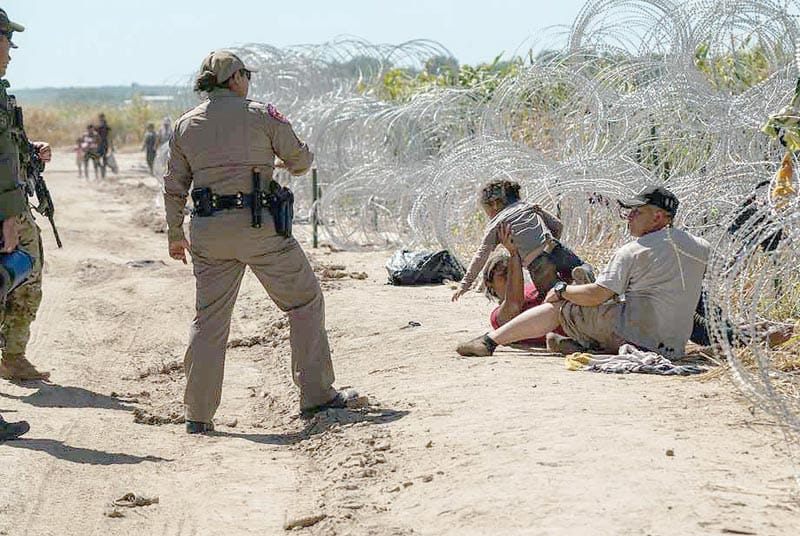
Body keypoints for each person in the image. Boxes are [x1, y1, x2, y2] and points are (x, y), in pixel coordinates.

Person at [163, 50, 358, 434]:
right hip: (261, 229)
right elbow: (300, 161)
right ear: (235, 78)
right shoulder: (261, 114)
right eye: (246, 75)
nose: (248, 81)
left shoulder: (186, 125)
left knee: (210, 320)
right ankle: (316, 394)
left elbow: (174, 186)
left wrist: (174, 234)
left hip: (208, 232)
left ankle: (198, 415)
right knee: (304, 302)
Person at [457, 186, 710, 360]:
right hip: (675, 345)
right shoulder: (701, 247)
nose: (628, 217)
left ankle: (489, 342)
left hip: (638, 339)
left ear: (658, 216)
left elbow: (597, 295)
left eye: (636, 211)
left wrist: (561, 290)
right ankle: (576, 343)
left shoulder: (634, 250)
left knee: (561, 307)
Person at [0, 7, 52, 381]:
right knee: (19, 271)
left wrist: (30, 151)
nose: (11, 51)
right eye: (7, 41)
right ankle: (12, 354)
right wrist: (7, 217)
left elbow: (6, 150)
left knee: (24, 273)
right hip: (6, 208)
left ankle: (13, 355)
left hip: (12, 204)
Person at [452, 179, 593, 304]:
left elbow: (481, 255)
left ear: (494, 204)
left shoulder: (497, 224)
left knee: (553, 299)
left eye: (486, 210)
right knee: (580, 266)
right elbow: (557, 226)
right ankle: (580, 274)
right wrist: (549, 243)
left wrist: (465, 284)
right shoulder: (528, 206)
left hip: (537, 263)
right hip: (554, 247)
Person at [482, 223, 570, 347]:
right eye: (503, 275)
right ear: (489, 283)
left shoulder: (534, 288)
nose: (510, 279)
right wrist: (514, 254)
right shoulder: (498, 318)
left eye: (512, 273)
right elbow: (514, 304)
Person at [96, 113, 112, 178]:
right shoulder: (98, 127)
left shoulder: (106, 127)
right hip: (99, 144)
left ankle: (103, 173)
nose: (101, 119)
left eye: (102, 118)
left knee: (104, 158)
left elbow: (110, 136)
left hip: (104, 144)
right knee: (97, 159)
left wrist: (112, 146)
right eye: (100, 118)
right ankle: (102, 169)